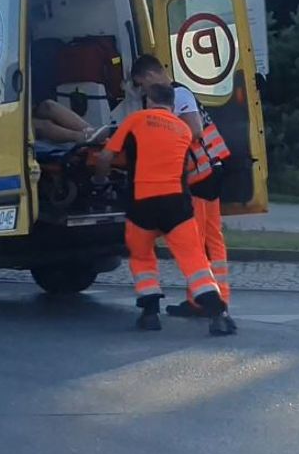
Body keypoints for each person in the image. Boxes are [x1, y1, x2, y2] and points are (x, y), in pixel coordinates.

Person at [94, 83, 235, 336]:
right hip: (176, 204)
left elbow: (106, 157)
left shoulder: (135, 120)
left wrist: (100, 180)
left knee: (142, 256)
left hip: (142, 202)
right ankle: (218, 314)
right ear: (172, 104)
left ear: (148, 101)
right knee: (194, 260)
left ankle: (150, 313)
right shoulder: (183, 129)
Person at [129, 54, 232, 318]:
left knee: (196, 243)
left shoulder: (178, 95)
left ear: (151, 76)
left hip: (199, 175)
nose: (143, 91)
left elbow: (194, 130)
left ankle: (201, 302)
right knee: (212, 240)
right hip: (211, 169)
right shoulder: (182, 94)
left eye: (142, 84)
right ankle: (218, 296)